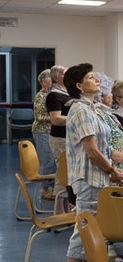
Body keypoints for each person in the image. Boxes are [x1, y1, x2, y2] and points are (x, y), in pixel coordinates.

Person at [61, 63, 123, 262]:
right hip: (90, 178)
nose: (96, 79)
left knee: (96, 231)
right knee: (84, 232)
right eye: (90, 77)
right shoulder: (81, 110)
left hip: (99, 178)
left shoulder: (92, 108)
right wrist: (112, 170)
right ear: (79, 86)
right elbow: (92, 151)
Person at [46, 64, 69, 208]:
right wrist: (76, 117)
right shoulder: (53, 94)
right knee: (63, 172)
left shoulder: (66, 93)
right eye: (65, 74)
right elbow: (55, 119)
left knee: (68, 173)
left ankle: (66, 208)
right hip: (60, 138)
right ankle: (59, 210)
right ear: (56, 77)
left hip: (68, 137)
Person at [32, 68, 54, 200]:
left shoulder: (50, 95)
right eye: (51, 80)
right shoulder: (40, 96)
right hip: (42, 131)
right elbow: (38, 116)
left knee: (53, 161)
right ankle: (44, 190)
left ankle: (53, 188)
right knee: (47, 161)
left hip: (50, 131)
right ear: (44, 83)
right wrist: (55, 118)